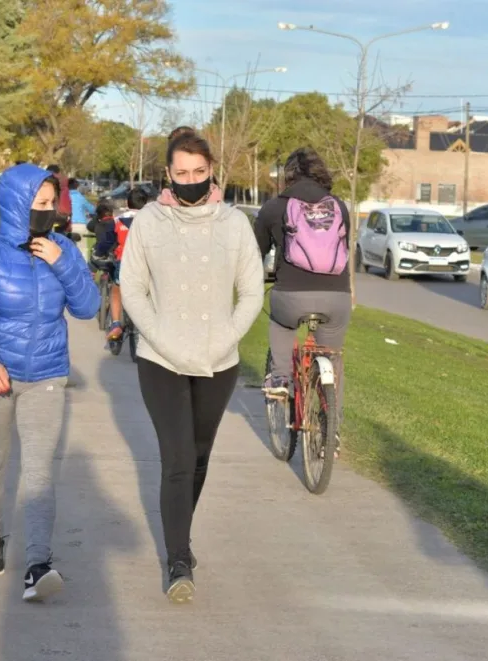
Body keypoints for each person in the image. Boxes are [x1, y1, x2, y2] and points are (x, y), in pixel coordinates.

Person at [120, 131, 264, 604]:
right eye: (181, 174)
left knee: (199, 457)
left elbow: (252, 292)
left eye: (198, 173)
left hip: (217, 361)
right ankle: (179, 560)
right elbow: (133, 288)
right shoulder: (148, 221)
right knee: (178, 457)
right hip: (161, 358)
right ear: (167, 175)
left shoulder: (235, 224)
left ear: (211, 170)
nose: (190, 181)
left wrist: (224, 339)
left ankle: (179, 534)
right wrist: (160, 338)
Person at [0, 163, 100, 603]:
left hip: (47, 375)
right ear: (16, 204)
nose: (47, 213)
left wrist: (62, 265)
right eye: (38, 204)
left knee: (38, 471)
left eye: (51, 205)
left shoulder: (63, 249)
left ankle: (38, 565)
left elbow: (88, 307)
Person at [253, 147, 352, 457]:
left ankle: (281, 377)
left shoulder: (274, 207)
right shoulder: (339, 206)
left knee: (281, 323)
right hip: (337, 298)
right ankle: (330, 430)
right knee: (332, 357)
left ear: (289, 176)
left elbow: (255, 251)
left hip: (290, 295)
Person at [103, 187, 148, 341]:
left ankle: (116, 324)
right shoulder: (152, 220)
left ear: (128, 203)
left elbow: (107, 242)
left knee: (117, 290)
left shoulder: (117, 220)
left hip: (124, 262)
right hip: (145, 264)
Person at [46, 164, 72, 234]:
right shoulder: (65, 186)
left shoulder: (46, 183)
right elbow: (68, 203)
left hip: (49, 215)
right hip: (64, 215)